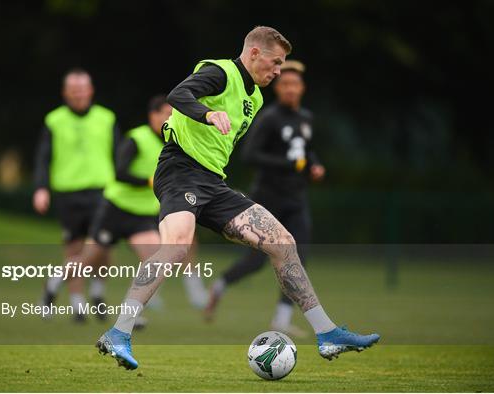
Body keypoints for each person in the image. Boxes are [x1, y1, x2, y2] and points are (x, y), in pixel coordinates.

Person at [96, 26, 379, 371]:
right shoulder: (219, 72)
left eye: (283, 65)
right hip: (180, 170)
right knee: (176, 247)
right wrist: (208, 113)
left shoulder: (255, 98)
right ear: (254, 53)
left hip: (213, 183)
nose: (278, 71)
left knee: (282, 242)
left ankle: (327, 332)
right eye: (276, 63)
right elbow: (178, 96)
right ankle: (119, 332)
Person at [204, 60, 325, 338]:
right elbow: (250, 155)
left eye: (295, 84)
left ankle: (281, 319)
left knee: (299, 255)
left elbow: (306, 151)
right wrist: (289, 164)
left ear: (302, 88)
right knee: (256, 261)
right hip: (268, 198)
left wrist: (314, 165)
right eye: (285, 84)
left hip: (296, 198)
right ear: (278, 88)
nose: (291, 90)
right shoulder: (269, 118)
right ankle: (221, 284)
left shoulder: (306, 118)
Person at [65, 95, 208, 324]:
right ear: (153, 115)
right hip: (116, 209)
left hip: (142, 215)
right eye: (167, 115)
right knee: (87, 259)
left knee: (153, 259)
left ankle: (131, 313)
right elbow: (119, 172)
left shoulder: (176, 141)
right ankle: (54, 282)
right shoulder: (136, 138)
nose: (171, 119)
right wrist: (148, 182)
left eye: (174, 116)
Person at [34, 68, 120, 317]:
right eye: (74, 90)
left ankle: (97, 292)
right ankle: (76, 300)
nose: (79, 94)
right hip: (68, 194)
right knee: (74, 250)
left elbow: (119, 156)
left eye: (82, 89)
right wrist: (41, 188)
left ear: (90, 90)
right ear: (65, 93)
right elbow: (43, 158)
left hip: (102, 192)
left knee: (102, 247)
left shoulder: (107, 118)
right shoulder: (54, 120)